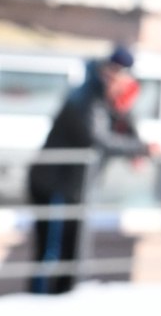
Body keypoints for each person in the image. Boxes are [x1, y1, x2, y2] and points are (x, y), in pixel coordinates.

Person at [27, 44, 147, 294]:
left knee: (71, 250)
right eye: (113, 71)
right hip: (54, 183)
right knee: (51, 250)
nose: (115, 78)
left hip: (75, 185)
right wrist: (141, 148)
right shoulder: (88, 94)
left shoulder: (111, 97)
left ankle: (63, 296)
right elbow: (97, 137)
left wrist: (137, 147)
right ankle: (40, 300)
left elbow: (125, 126)